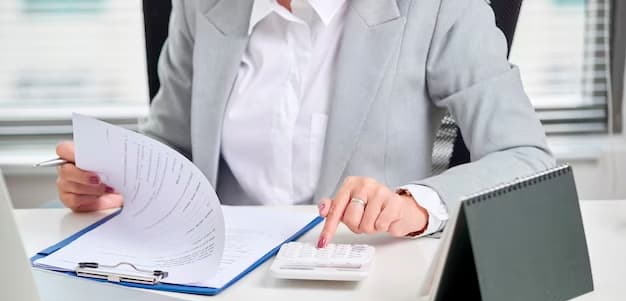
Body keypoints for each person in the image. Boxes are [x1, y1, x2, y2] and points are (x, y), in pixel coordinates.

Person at [55, 0, 555, 248]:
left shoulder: (435, 6)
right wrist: (113, 177)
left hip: (364, 281)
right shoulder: (200, 5)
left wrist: (416, 205)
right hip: (220, 277)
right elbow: (171, 144)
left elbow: (527, 158)